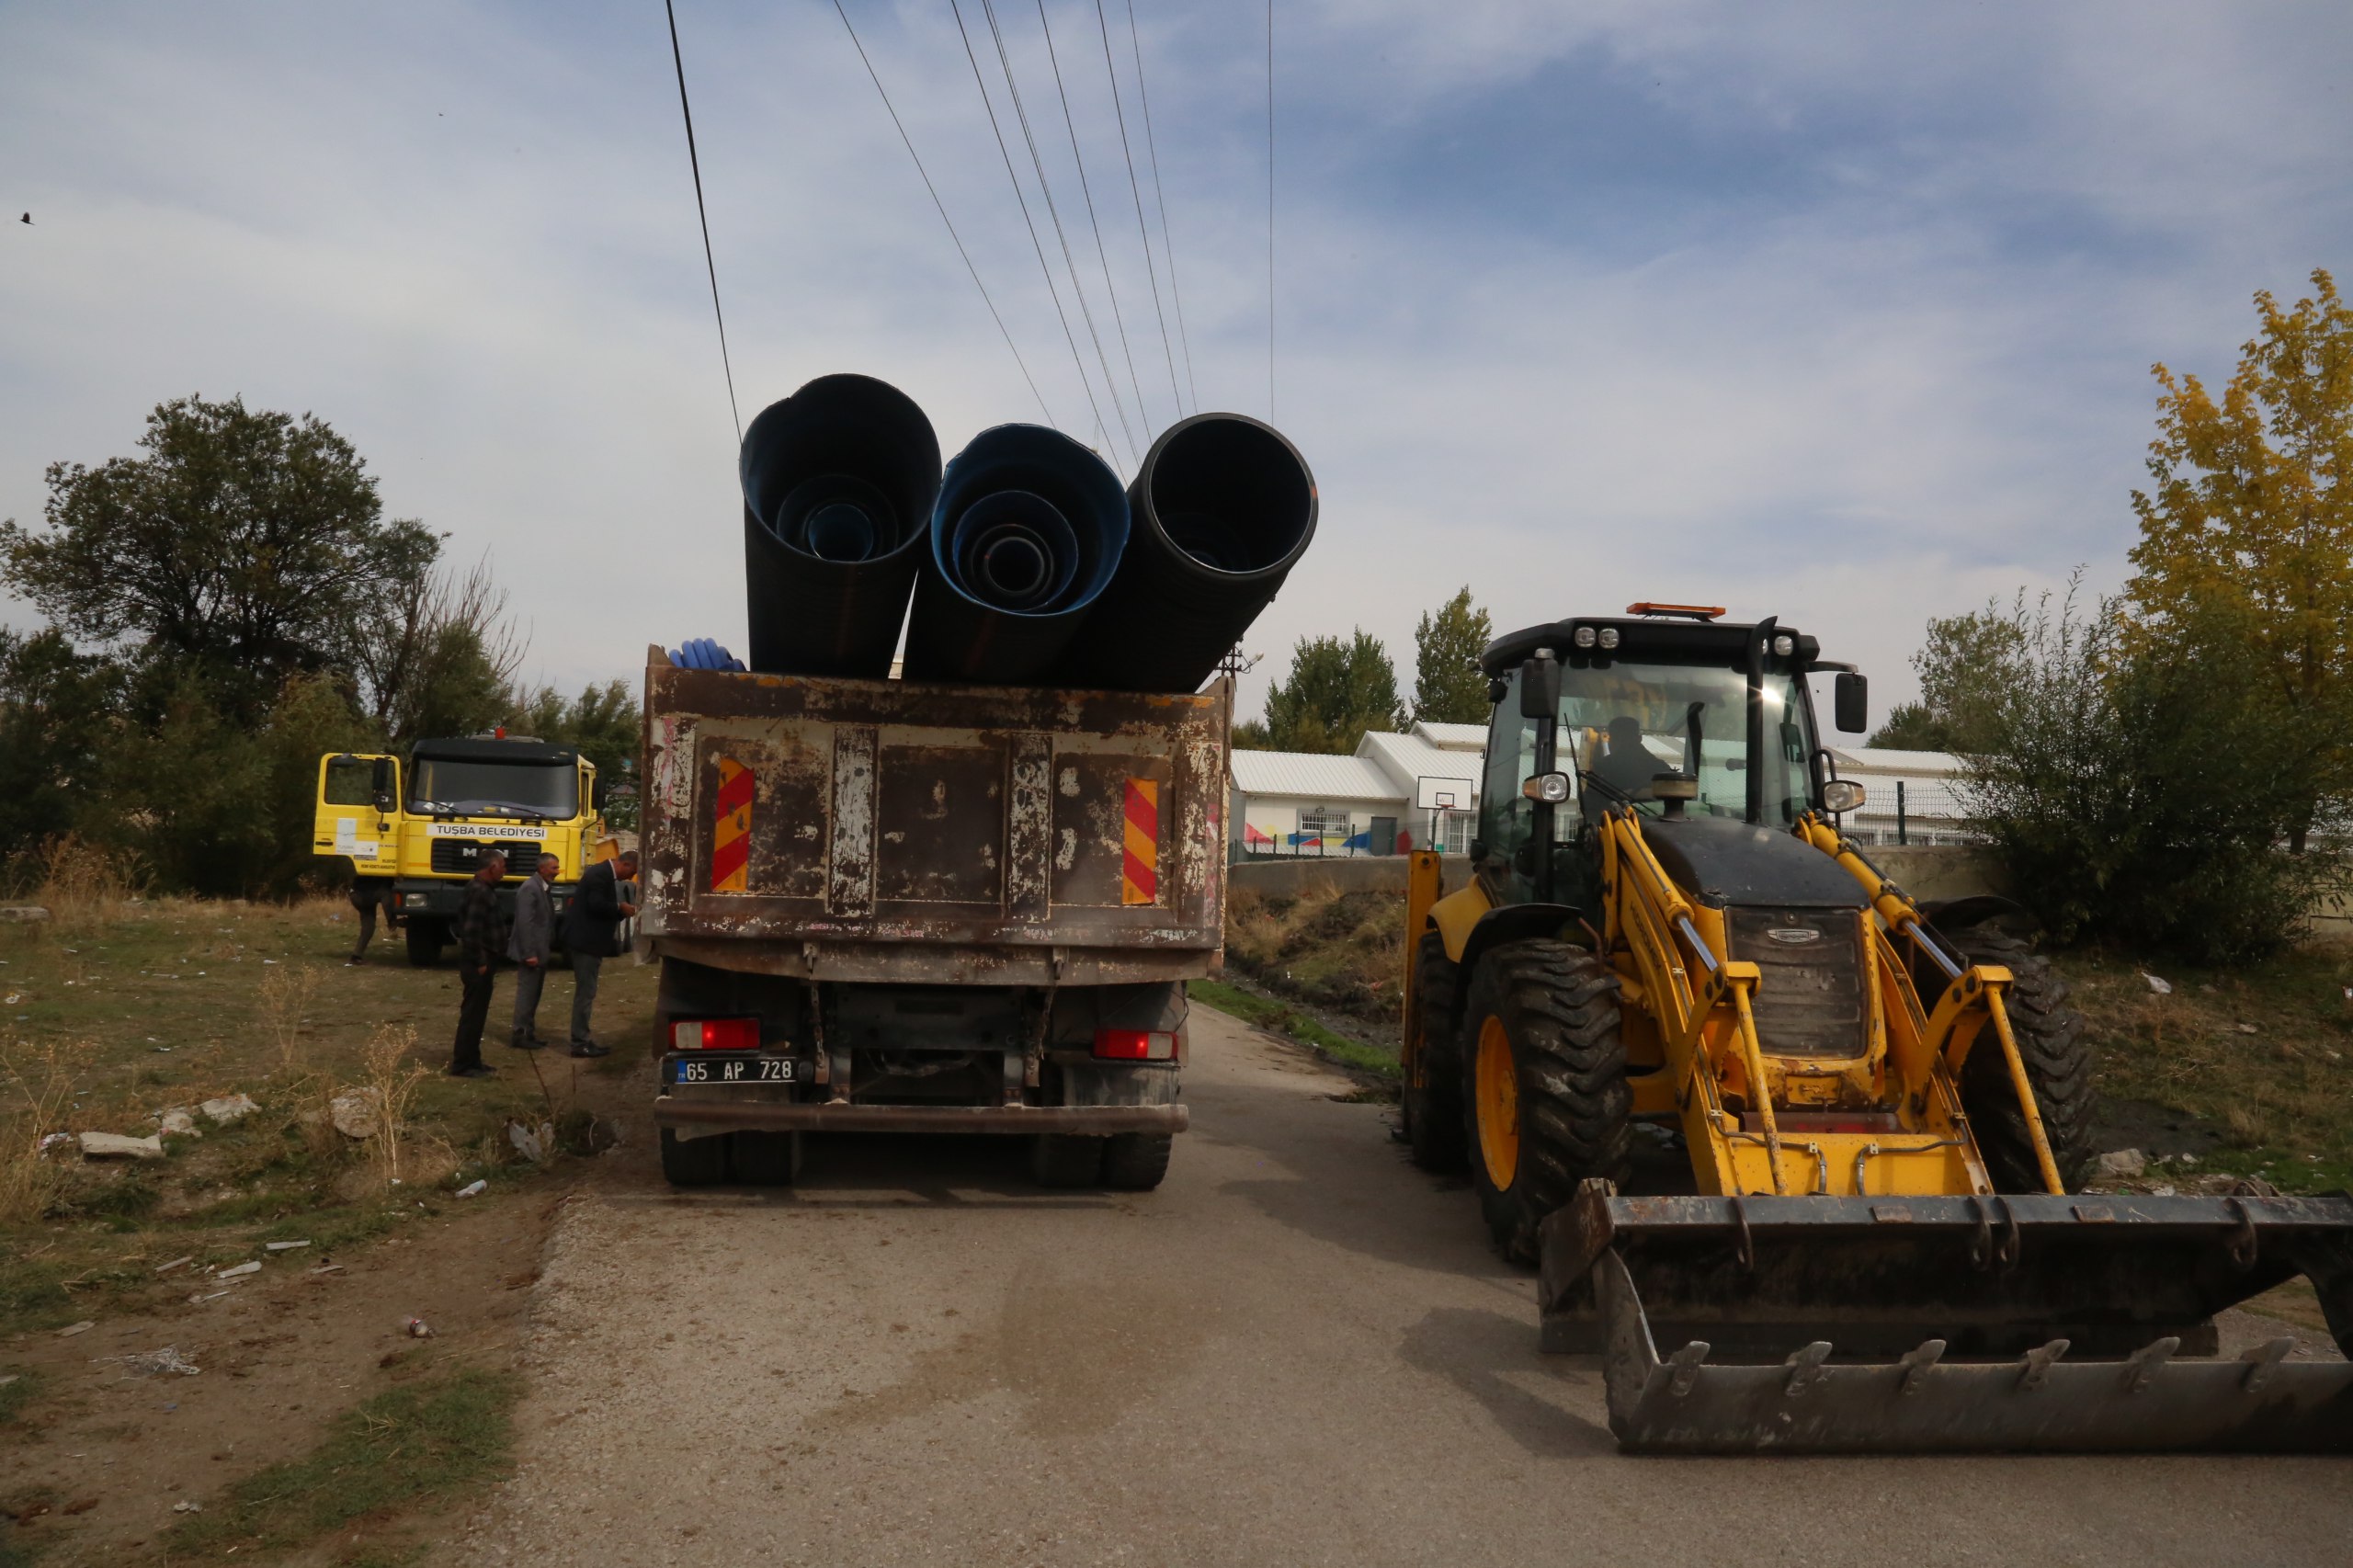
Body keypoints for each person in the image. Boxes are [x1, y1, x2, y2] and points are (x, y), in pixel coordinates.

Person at [560, 849, 636, 1059]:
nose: (630, 878)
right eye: (632, 872)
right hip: (586, 943)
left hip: (589, 942)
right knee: (585, 993)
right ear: (625, 864)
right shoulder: (600, 875)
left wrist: (619, 911)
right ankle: (579, 1043)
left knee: (587, 992)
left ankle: (582, 1039)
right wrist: (619, 907)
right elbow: (596, 905)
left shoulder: (603, 873)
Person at [448, 851, 509, 1079]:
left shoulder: (484, 890)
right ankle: (463, 1064)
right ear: (492, 867)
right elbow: (471, 931)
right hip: (478, 963)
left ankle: (474, 1060)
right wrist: (480, 960)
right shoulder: (479, 891)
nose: (505, 870)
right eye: (502, 866)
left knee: (478, 1014)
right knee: (472, 1014)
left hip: (485, 959)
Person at [506, 851, 561, 1051]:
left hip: (540, 952)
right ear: (542, 868)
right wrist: (529, 953)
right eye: (554, 868)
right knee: (527, 993)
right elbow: (524, 923)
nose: (557, 871)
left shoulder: (543, 888)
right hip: (531, 953)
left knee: (534, 994)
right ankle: (520, 1033)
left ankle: (529, 1032)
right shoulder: (530, 888)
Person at [346, 877, 402, 965]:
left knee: (368, 927)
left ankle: (356, 956)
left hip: (356, 894)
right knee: (387, 892)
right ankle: (392, 921)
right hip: (364, 893)